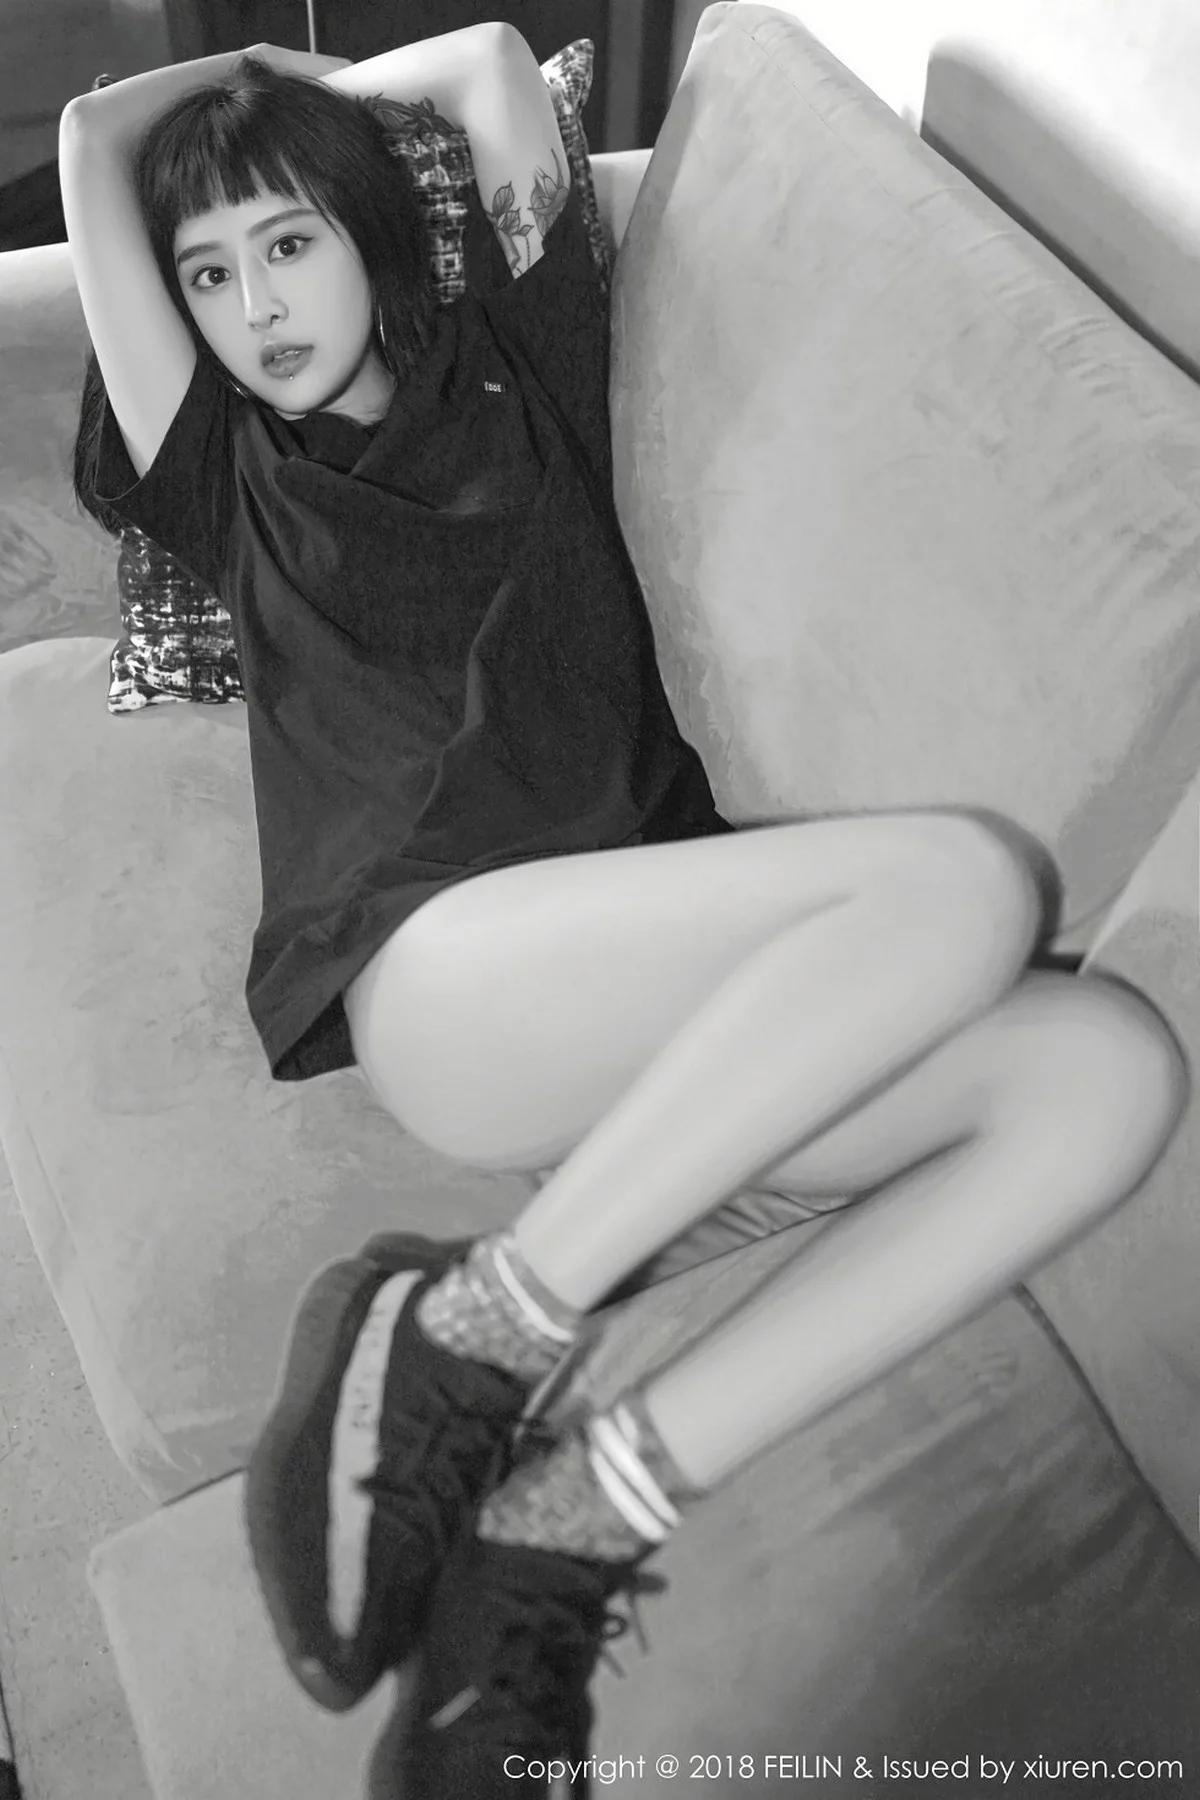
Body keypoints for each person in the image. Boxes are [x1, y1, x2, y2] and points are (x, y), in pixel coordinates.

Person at [61, 27, 1189, 1800]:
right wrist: (234, 105)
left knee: (1104, 1078)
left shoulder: (525, 360)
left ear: (369, 233)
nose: (255, 306)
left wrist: (293, 78)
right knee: (967, 885)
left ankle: (567, 1528)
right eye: (208, 274)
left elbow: (498, 75)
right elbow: (86, 134)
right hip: (442, 968)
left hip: (689, 1042)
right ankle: (476, 1331)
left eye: (288, 242)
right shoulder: (224, 470)